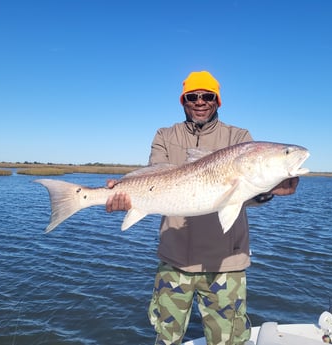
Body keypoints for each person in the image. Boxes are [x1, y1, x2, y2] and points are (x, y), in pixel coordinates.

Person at [106, 71, 299, 345]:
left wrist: (270, 191)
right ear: (183, 101)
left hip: (226, 264)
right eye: (192, 96)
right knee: (166, 339)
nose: (200, 102)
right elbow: (153, 177)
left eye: (207, 96)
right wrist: (126, 192)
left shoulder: (240, 138)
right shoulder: (165, 135)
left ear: (217, 101)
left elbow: (248, 194)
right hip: (174, 261)